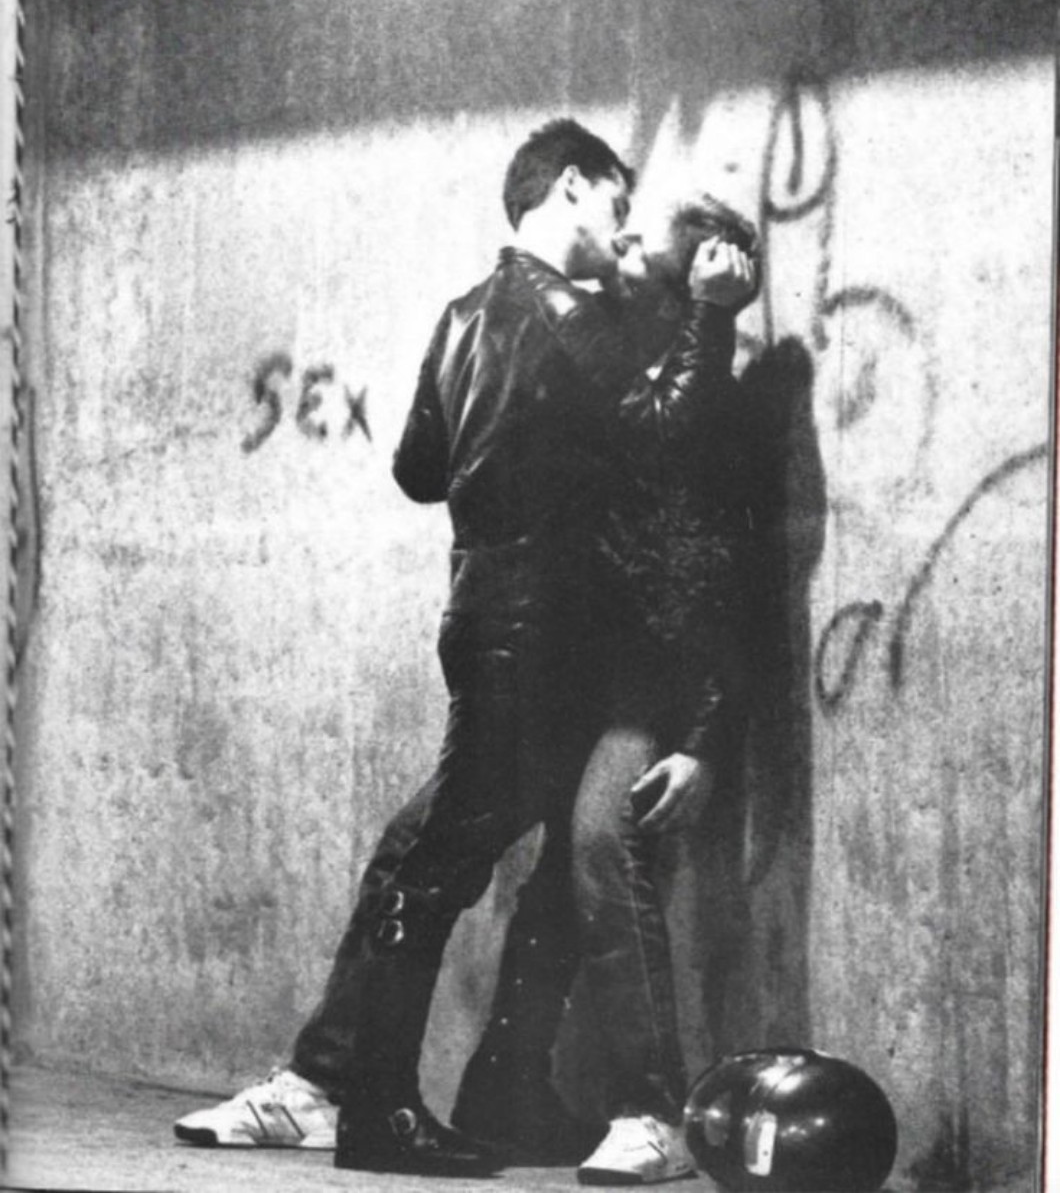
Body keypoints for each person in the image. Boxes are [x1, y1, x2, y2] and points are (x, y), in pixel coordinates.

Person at [173, 120, 755, 1177]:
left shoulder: (475, 319)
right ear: (571, 186)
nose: (623, 238)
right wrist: (704, 327)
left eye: (642, 236)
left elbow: (419, 469)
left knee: (482, 851)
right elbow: (653, 436)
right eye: (617, 210)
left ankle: (404, 1088)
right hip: (551, 650)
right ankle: (366, 1100)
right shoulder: (577, 326)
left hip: (530, 640)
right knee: (445, 859)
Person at [451, 195, 763, 1182]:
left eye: (639, 241)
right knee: (527, 866)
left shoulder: (705, 402)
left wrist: (705, 740)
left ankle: (654, 1110)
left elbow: (729, 578)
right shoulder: (601, 368)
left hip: (649, 691)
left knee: (596, 838)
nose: (615, 241)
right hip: (563, 679)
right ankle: (500, 1089)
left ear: (680, 284)